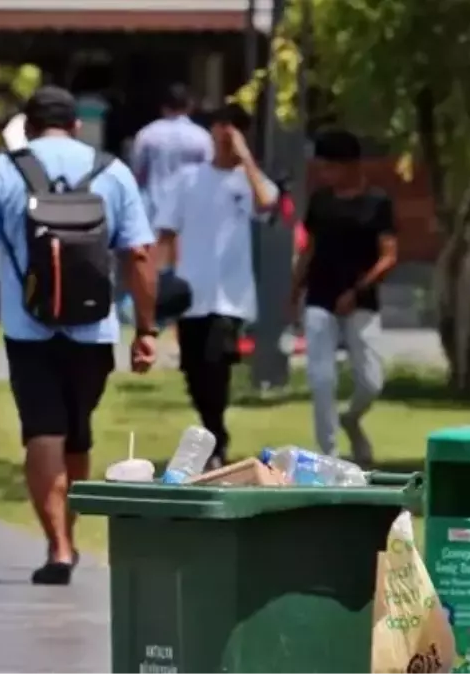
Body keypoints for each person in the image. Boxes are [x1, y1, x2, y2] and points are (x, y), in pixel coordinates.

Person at [0, 85, 158, 586]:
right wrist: (145, 329)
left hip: (28, 329)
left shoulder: (3, 170)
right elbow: (140, 256)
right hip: (94, 329)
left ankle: (58, 546)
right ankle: (69, 533)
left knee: (44, 431)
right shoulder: (113, 172)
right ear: (76, 126)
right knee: (77, 434)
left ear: (30, 124)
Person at [155, 103, 279, 468]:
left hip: (231, 296)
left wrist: (245, 158)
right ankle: (213, 431)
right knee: (195, 371)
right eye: (221, 128)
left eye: (234, 129)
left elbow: (267, 202)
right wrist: (158, 281)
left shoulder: (249, 180)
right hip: (190, 293)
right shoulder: (188, 179)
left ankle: (216, 439)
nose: (225, 136)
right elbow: (166, 232)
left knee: (216, 365)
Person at [290, 129, 396, 464]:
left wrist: (358, 290)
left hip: (360, 301)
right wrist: (294, 289)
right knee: (321, 379)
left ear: (350, 165)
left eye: (329, 167)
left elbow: (389, 255)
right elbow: (310, 249)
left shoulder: (377, 203)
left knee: (371, 381)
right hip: (320, 297)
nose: (324, 174)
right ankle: (330, 454)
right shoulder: (321, 201)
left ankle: (351, 418)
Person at [131, 83, 213, 222]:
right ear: (189, 106)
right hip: (190, 214)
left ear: (163, 107)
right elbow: (210, 174)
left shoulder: (147, 134)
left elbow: (138, 174)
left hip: (154, 214)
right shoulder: (202, 137)